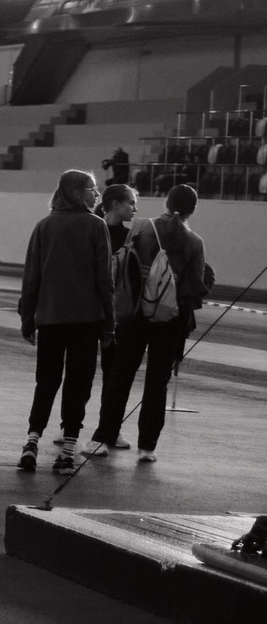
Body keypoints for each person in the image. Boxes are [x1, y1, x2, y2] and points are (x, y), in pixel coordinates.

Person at [88, 183, 209, 465]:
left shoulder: (141, 228)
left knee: (120, 376)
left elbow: (122, 267)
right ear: (193, 209)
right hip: (170, 319)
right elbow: (195, 288)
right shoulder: (195, 242)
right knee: (157, 382)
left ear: (166, 202)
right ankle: (147, 447)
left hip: (134, 314)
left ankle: (102, 438)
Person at [16, 170, 114, 477]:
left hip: (50, 317)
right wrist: (109, 323)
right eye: (92, 189)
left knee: (46, 380)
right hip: (86, 319)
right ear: (76, 192)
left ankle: (32, 441)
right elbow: (104, 280)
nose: (96, 195)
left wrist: (26, 317)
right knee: (78, 383)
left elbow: (31, 277)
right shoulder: (96, 227)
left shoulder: (44, 226)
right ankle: (68, 450)